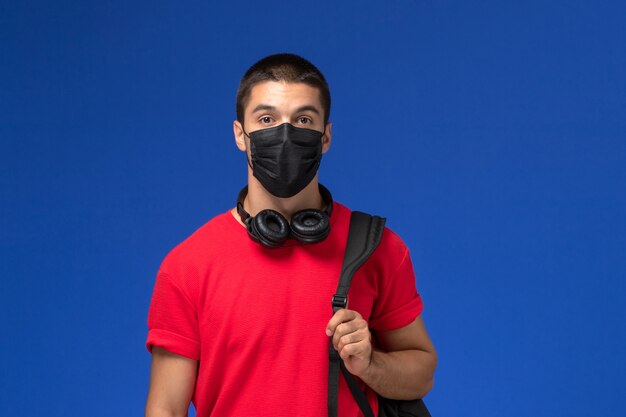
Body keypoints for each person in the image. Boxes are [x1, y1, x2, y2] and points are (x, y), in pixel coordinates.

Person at [144, 53, 437, 417]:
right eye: (266, 119)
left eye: (303, 119)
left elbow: (421, 373)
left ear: (325, 135)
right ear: (240, 134)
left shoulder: (376, 247)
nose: (285, 134)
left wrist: (370, 364)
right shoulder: (188, 265)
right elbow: (165, 409)